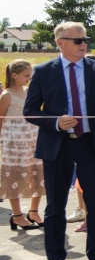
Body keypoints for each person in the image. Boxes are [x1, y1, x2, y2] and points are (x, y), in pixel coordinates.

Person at [24, 22, 95, 260]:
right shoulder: (43, 71)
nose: (83, 44)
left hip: (91, 143)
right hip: (58, 145)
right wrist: (55, 121)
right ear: (60, 42)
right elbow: (30, 110)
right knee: (55, 206)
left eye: (85, 40)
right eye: (77, 40)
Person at [0, 60, 44, 230]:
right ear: (14, 75)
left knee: (38, 174)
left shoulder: (30, 92)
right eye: (26, 75)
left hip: (33, 139)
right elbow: (0, 119)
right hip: (13, 144)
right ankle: (17, 215)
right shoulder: (6, 95)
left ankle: (34, 211)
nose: (29, 78)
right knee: (14, 177)